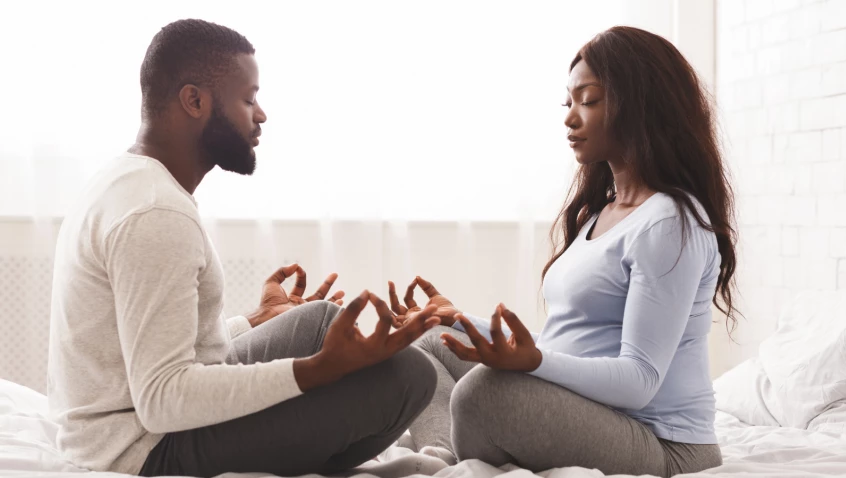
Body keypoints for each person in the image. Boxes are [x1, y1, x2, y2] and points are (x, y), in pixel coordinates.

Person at [47, 19, 440, 478]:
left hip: (135, 419)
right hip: (141, 448)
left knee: (319, 321)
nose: (261, 114)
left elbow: (155, 348)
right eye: (248, 98)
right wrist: (315, 370)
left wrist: (255, 321)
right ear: (194, 101)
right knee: (410, 378)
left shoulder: (131, 180)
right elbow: (162, 400)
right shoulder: (155, 214)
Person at [391, 26, 737, 478]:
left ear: (641, 104)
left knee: (482, 395)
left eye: (588, 100)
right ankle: (441, 454)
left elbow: (638, 382)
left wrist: (533, 361)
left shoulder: (669, 221)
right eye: (568, 103)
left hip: (660, 441)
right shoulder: (604, 212)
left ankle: (455, 445)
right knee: (428, 340)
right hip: (591, 410)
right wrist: (457, 319)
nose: (570, 118)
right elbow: (570, 342)